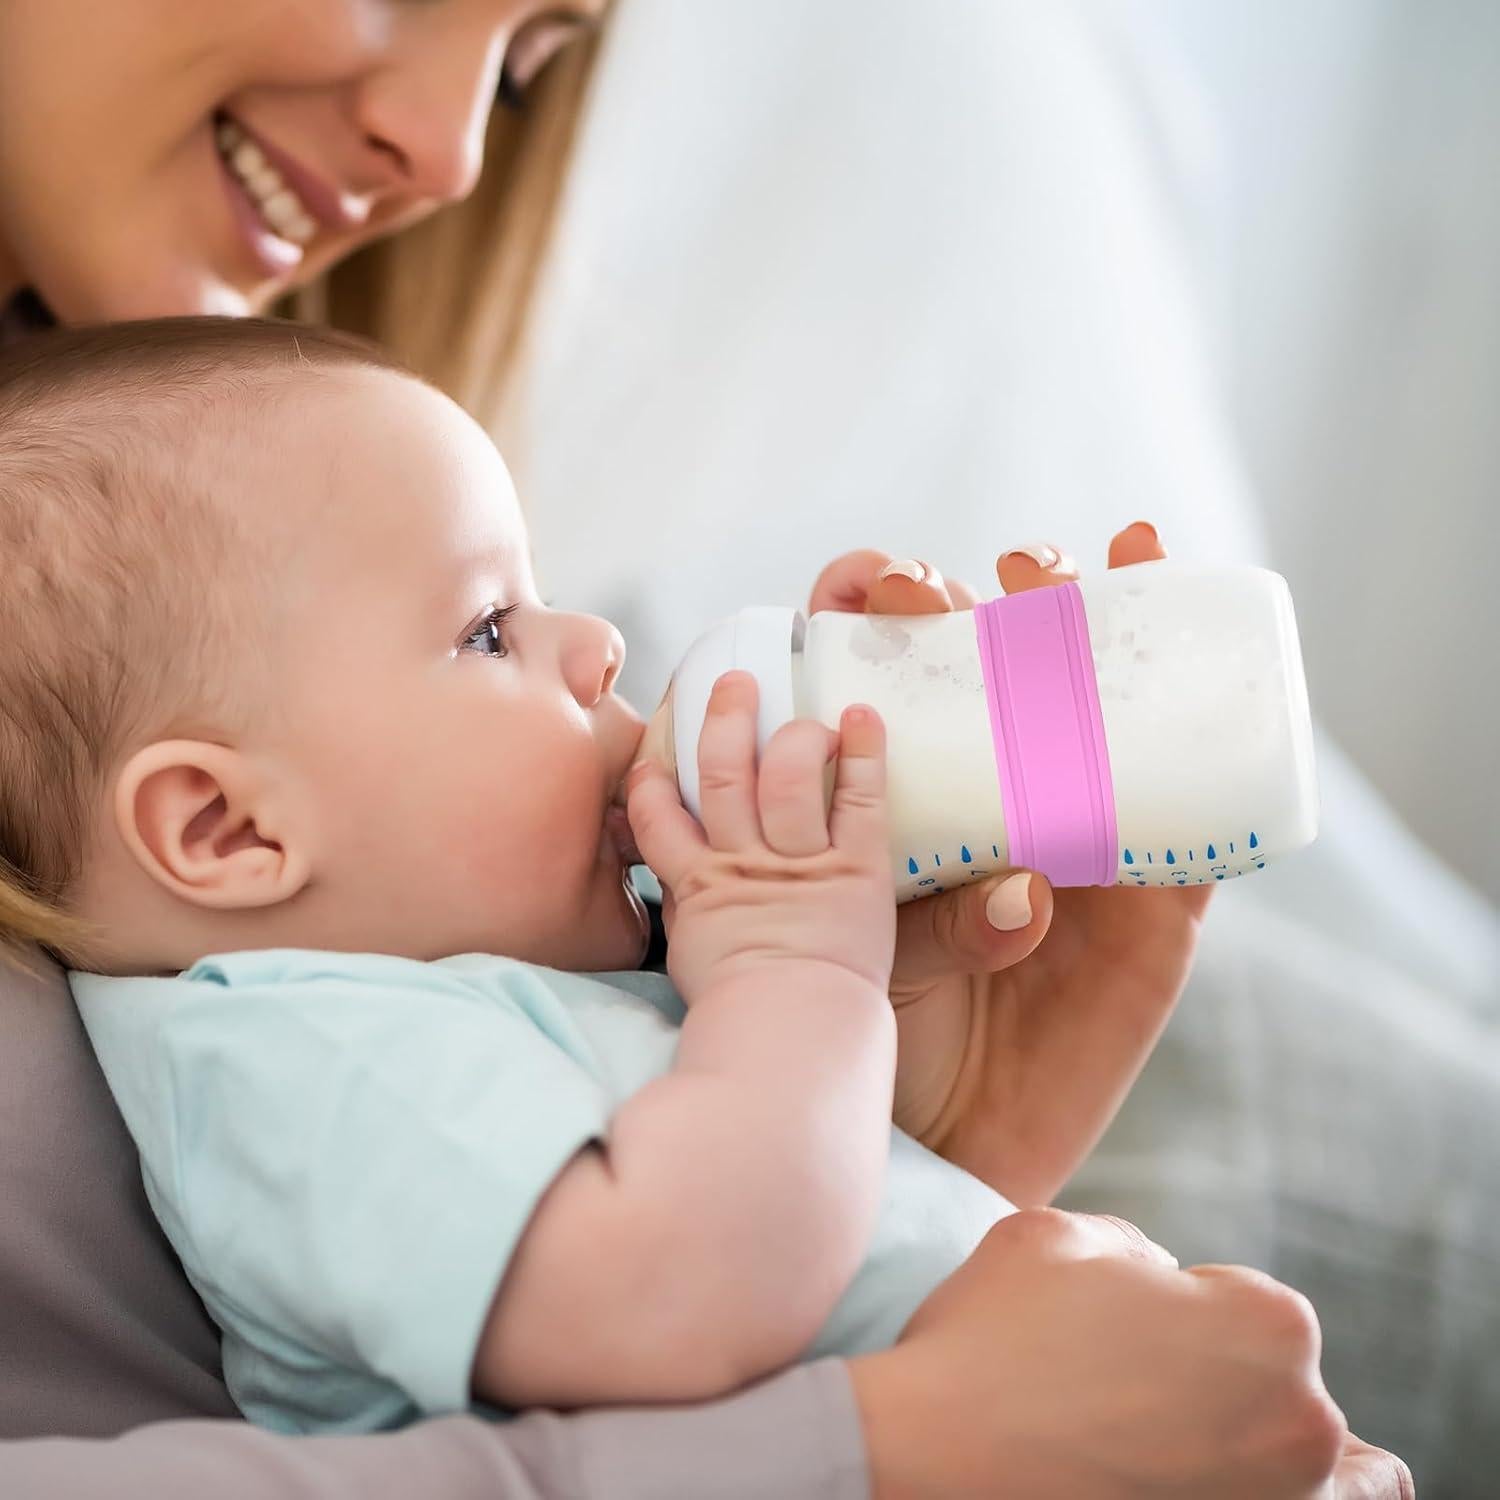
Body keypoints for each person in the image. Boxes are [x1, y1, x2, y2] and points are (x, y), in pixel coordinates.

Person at [0, 3, 1409, 1494]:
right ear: (223, 833)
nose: (453, 149)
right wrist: (794, 981)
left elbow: (745, 1299)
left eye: (536, 58)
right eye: (492, 630)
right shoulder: (297, 1054)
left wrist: (932, 1110)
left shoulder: (415, 949)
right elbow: (677, 1305)